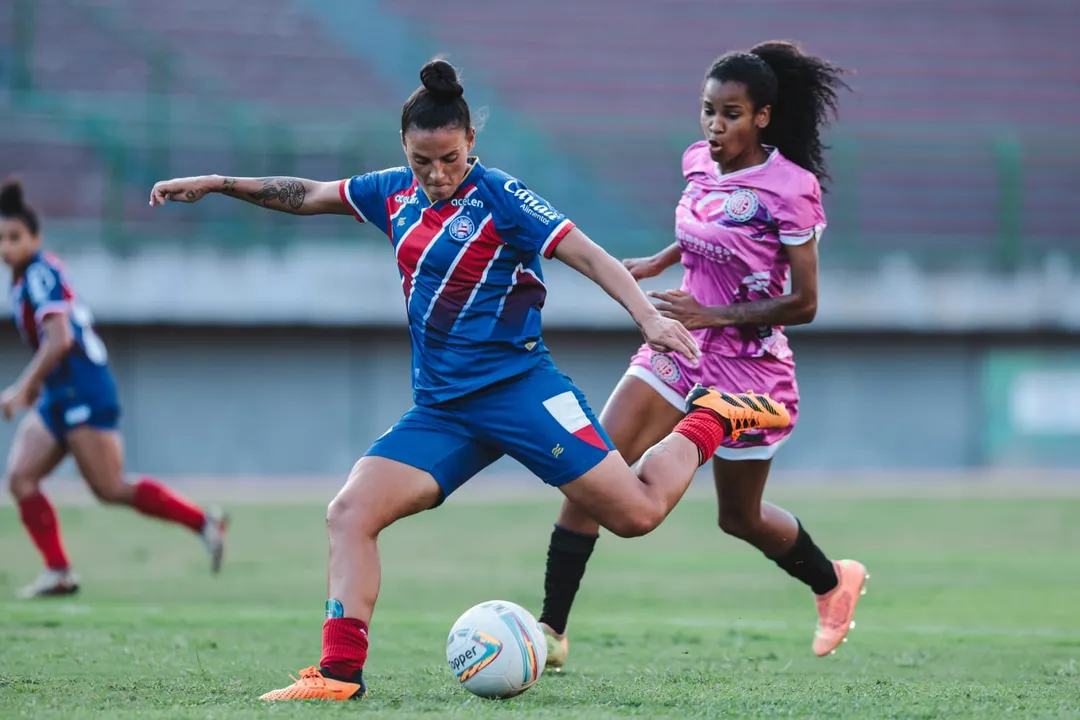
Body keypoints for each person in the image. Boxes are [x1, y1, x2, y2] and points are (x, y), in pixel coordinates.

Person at [149, 59, 793, 702]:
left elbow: (590, 255)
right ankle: (340, 674)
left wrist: (648, 317)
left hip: (523, 393)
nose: (436, 175)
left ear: (471, 145)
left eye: (450, 160)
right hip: (442, 411)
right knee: (349, 512)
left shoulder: (503, 198)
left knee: (637, 514)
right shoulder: (391, 191)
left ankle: (713, 417)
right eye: (422, 161)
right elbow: (308, 194)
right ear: (405, 149)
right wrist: (218, 182)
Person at [535, 41, 866, 668]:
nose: (715, 126)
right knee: (592, 472)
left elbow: (805, 303)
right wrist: (660, 261)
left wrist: (712, 312)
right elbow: (702, 229)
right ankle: (550, 631)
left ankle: (832, 581)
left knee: (739, 519)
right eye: (708, 111)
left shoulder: (791, 190)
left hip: (754, 373)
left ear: (762, 117)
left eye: (731, 113)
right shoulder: (698, 162)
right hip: (679, 343)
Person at [0, 179, 228, 599]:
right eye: (1, 239)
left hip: (83, 389)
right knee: (21, 478)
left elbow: (60, 338)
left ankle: (203, 522)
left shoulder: (39, 274)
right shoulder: (24, 280)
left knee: (110, 488)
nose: (6, 246)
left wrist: (21, 389)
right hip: (60, 392)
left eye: (15, 237)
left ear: (35, 237)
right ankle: (58, 571)